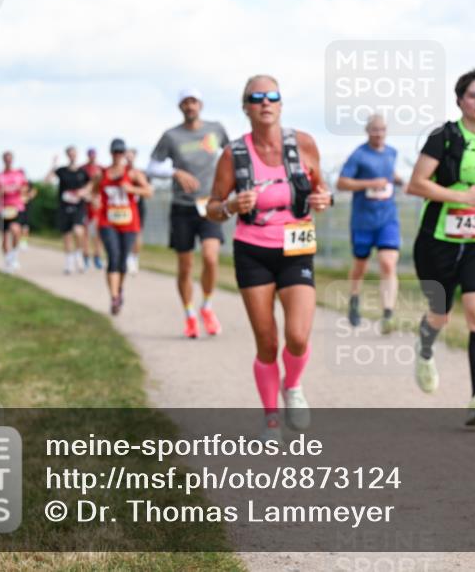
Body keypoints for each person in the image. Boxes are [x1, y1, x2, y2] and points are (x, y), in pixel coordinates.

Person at [207, 75, 332, 441]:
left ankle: (292, 386)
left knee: (297, 335)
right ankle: (271, 418)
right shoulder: (233, 154)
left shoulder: (304, 144)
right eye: (256, 97)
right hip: (253, 251)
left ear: (280, 103)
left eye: (272, 96)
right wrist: (230, 205)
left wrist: (324, 200)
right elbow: (212, 207)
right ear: (245, 108)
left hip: (297, 246)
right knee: (267, 342)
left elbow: (321, 190)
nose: (265, 102)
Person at [406, 68, 475, 426]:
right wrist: (461, 196)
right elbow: (416, 184)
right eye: (473, 95)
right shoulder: (443, 138)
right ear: (459, 101)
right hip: (438, 242)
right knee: (440, 314)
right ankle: (424, 350)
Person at [148, 88, 230, 337]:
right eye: (185, 102)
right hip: (182, 207)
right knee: (185, 267)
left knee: (210, 257)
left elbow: (233, 155)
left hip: (210, 204)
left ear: (201, 104)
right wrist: (175, 172)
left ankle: (206, 305)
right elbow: (152, 166)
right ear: (180, 107)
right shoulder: (171, 136)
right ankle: (189, 314)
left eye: (193, 101)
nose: (190, 106)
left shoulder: (215, 129)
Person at [336, 113, 403, 333]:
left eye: (382, 129)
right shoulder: (359, 154)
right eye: (374, 130)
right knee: (360, 266)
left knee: (388, 263)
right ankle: (354, 299)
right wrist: (370, 183)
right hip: (363, 220)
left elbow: (389, 173)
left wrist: (400, 180)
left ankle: (388, 314)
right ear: (368, 132)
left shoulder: (392, 152)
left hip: (387, 218)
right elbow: (342, 183)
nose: (379, 134)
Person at [92, 138, 153, 314]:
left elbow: (149, 191)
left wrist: (132, 190)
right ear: (111, 153)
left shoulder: (133, 174)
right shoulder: (101, 174)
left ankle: (119, 288)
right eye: (115, 152)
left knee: (123, 261)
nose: (118, 155)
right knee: (113, 256)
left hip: (129, 223)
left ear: (124, 154)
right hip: (108, 221)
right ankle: (114, 297)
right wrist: (95, 199)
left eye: (121, 152)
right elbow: (95, 190)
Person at [46, 146, 92, 274]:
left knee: (78, 231)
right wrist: (53, 165)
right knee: (67, 235)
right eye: (70, 154)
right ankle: (69, 262)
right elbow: (48, 180)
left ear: (77, 155)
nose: (72, 156)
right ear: (67, 155)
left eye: (74, 154)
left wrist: (84, 192)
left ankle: (79, 255)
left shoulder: (82, 172)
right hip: (64, 207)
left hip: (79, 207)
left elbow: (91, 184)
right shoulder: (62, 170)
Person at [0, 151, 29, 273]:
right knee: (4, 237)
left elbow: (25, 190)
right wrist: (1, 191)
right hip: (2, 209)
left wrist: (19, 189)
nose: (8, 161)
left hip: (16, 208)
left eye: (10, 159)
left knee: (16, 230)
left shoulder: (19, 175)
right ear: (3, 160)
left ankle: (13, 256)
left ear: (12, 160)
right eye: (6, 159)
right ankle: (8, 259)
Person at [80, 147, 105, 270]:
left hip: (98, 208)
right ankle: (85, 258)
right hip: (86, 207)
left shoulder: (101, 169)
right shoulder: (82, 169)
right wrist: (89, 197)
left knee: (98, 234)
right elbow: (83, 190)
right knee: (86, 234)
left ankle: (97, 257)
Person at [125, 148, 147, 275]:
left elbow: (147, 190)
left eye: (131, 156)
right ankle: (127, 257)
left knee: (138, 233)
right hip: (123, 207)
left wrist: (131, 189)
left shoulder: (141, 173)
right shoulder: (121, 172)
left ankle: (134, 257)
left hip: (138, 207)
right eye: (127, 156)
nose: (129, 158)